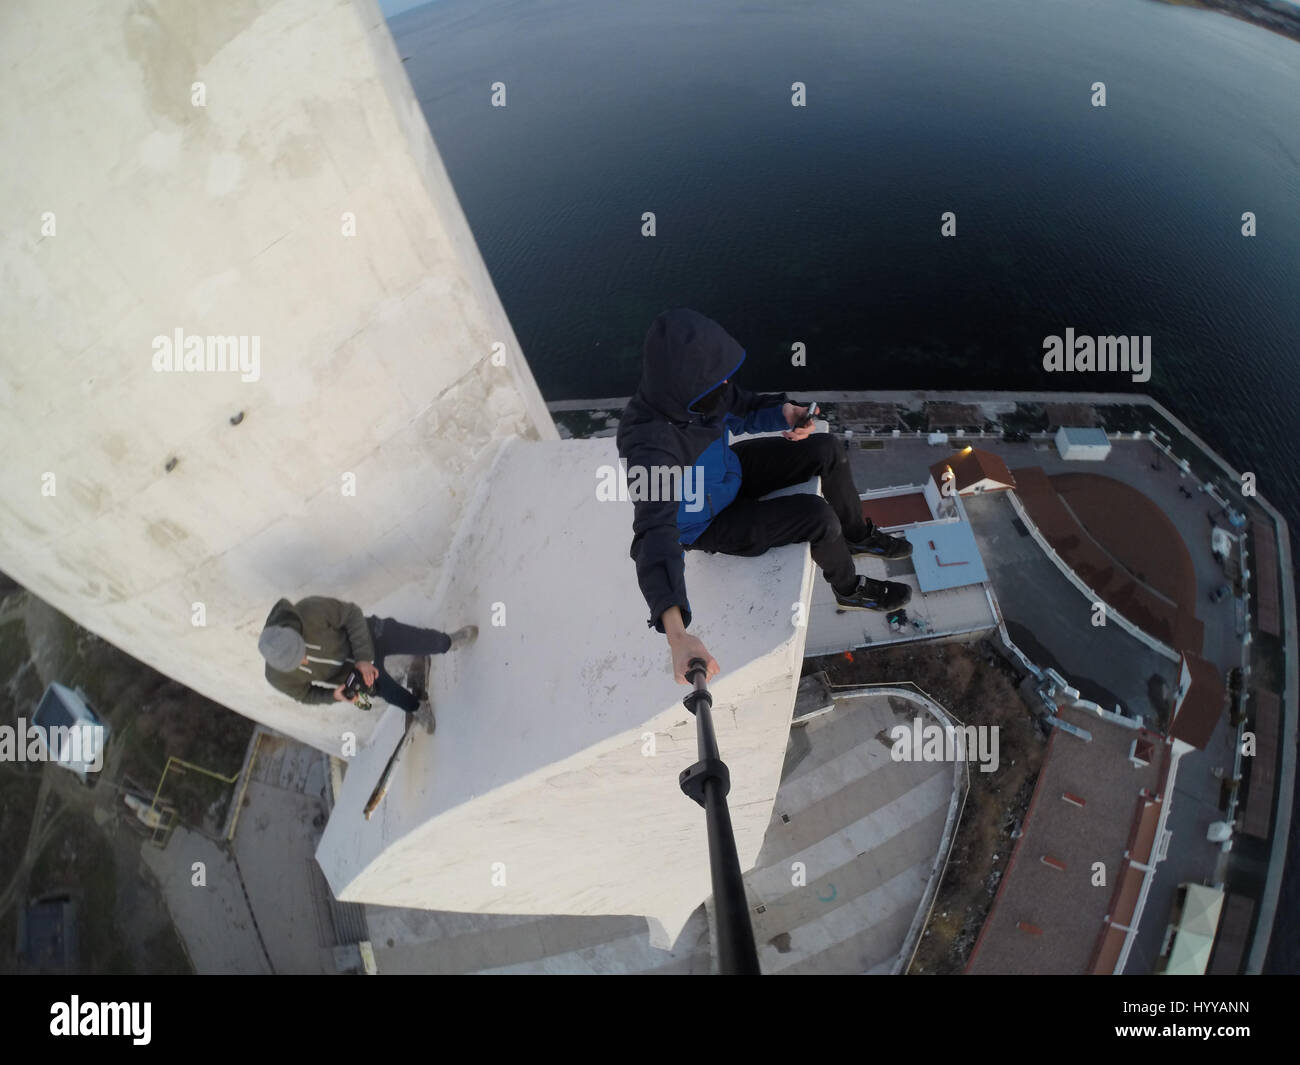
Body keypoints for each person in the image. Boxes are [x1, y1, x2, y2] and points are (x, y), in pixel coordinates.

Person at [616, 308, 912, 684]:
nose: (726, 382)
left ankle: (857, 535)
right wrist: (677, 636)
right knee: (818, 517)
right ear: (687, 382)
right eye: (717, 378)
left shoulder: (695, 392)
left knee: (827, 448)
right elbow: (654, 536)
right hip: (707, 523)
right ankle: (849, 589)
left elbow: (740, 405)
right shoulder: (648, 445)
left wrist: (788, 414)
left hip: (730, 473)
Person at [257, 596, 476, 729]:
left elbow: (351, 614)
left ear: (293, 634)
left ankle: (449, 642)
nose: (304, 660)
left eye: (301, 651)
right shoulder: (277, 678)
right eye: (297, 663)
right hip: (352, 676)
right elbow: (305, 695)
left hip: (368, 635)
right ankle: (418, 708)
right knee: (389, 693)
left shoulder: (310, 611)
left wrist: (363, 658)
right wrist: (333, 696)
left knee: (420, 640)